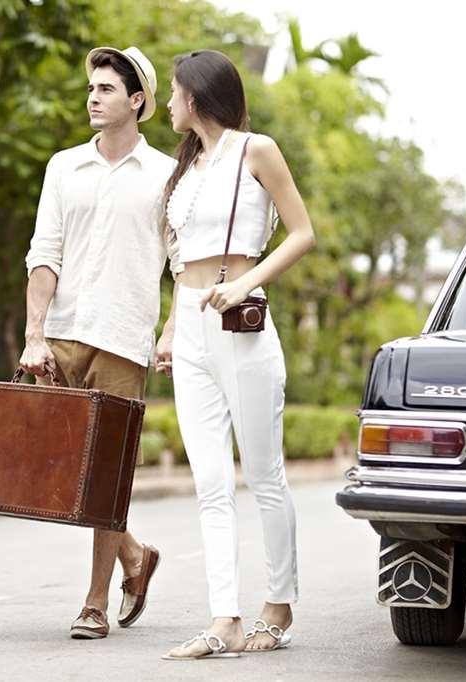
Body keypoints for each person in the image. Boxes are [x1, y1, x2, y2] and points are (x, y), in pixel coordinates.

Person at [155, 49, 315, 660]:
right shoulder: (188, 167)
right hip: (193, 324)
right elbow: (181, 263)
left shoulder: (257, 151)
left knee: (264, 474)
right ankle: (224, 617)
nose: (167, 105)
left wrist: (247, 283)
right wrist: (172, 329)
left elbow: (302, 232)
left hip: (241, 322)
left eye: (173, 94)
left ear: (195, 97)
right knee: (210, 482)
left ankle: (279, 604)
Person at [20, 45, 179, 640]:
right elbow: (45, 253)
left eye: (106, 89)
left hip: (122, 338)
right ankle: (135, 556)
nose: (92, 97)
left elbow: (184, 263)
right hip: (62, 334)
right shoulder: (63, 166)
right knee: (57, 467)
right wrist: (34, 333)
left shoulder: (167, 175)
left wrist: (169, 331)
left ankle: (94, 603)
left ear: (137, 101)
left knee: (108, 472)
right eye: (91, 88)